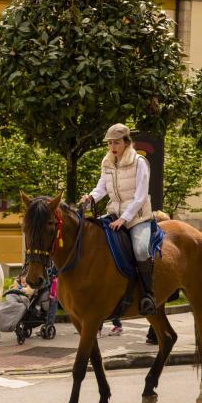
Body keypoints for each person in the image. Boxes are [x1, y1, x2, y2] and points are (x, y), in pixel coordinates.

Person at [81, 123, 156, 315]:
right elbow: (101, 189)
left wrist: (124, 219)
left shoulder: (139, 162)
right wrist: (89, 199)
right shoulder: (107, 163)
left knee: (140, 249)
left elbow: (140, 196)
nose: (112, 147)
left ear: (126, 142)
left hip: (138, 217)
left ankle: (148, 295)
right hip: (114, 214)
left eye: (116, 142)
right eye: (110, 143)